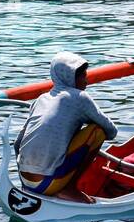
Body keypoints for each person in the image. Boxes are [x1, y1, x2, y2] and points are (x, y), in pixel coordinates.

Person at [15, 52, 119, 202]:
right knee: (97, 131)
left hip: (25, 182)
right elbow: (111, 131)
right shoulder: (79, 97)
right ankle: (68, 188)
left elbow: (18, 144)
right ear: (69, 78)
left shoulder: (41, 99)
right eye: (82, 76)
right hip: (46, 183)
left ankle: (47, 184)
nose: (86, 81)